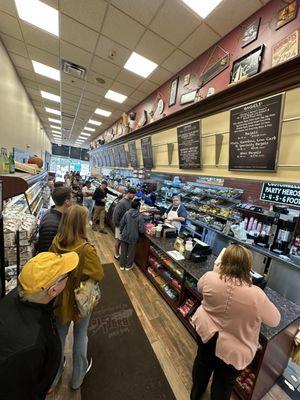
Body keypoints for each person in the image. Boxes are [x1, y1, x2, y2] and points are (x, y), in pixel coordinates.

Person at [190, 244, 280, 400]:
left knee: (202, 365)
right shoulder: (256, 295)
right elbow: (274, 320)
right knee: (223, 383)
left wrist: (216, 270)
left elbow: (199, 288)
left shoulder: (210, 277)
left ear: (223, 261)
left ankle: (196, 395)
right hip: (234, 350)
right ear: (248, 268)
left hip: (206, 334)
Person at [0, 251, 79, 400]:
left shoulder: (15, 297)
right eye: (65, 276)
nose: (68, 277)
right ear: (53, 290)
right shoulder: (32, 346)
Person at [49, 205, 104, 391]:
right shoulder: (86, 249)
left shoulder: (57, 241)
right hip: (79, 298)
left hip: (59, 299)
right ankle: (77, 377)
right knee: (81, 335)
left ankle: (55, 376)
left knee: (59, 337)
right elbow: (98, 273)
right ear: (81, 224)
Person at [37, 186, 72, 253]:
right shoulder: (52, 224)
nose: (73, 200)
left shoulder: (51, 212)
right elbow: (47, 249)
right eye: (72, 198)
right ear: (67, 201)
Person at [119, 199, 145, 271]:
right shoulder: (140, 216)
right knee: (131, 253)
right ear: (138, 207)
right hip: (133, 237)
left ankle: (121, 265)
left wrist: (121, 231)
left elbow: (122, 223)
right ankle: (128, 266)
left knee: (123, 251)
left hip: (124, 235)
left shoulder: (127, 213)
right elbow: (141, 230)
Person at [112, 187, 136, 260]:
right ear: (128, 193)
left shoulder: (130, 201)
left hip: (125, 226)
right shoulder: (121, 202)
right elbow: (115, 214)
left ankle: (121, 254)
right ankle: (116, 255)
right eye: (133, 194)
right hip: (120, 225)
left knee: (122, 241)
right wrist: (117, 224)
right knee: (118, 241)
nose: (134, 196)